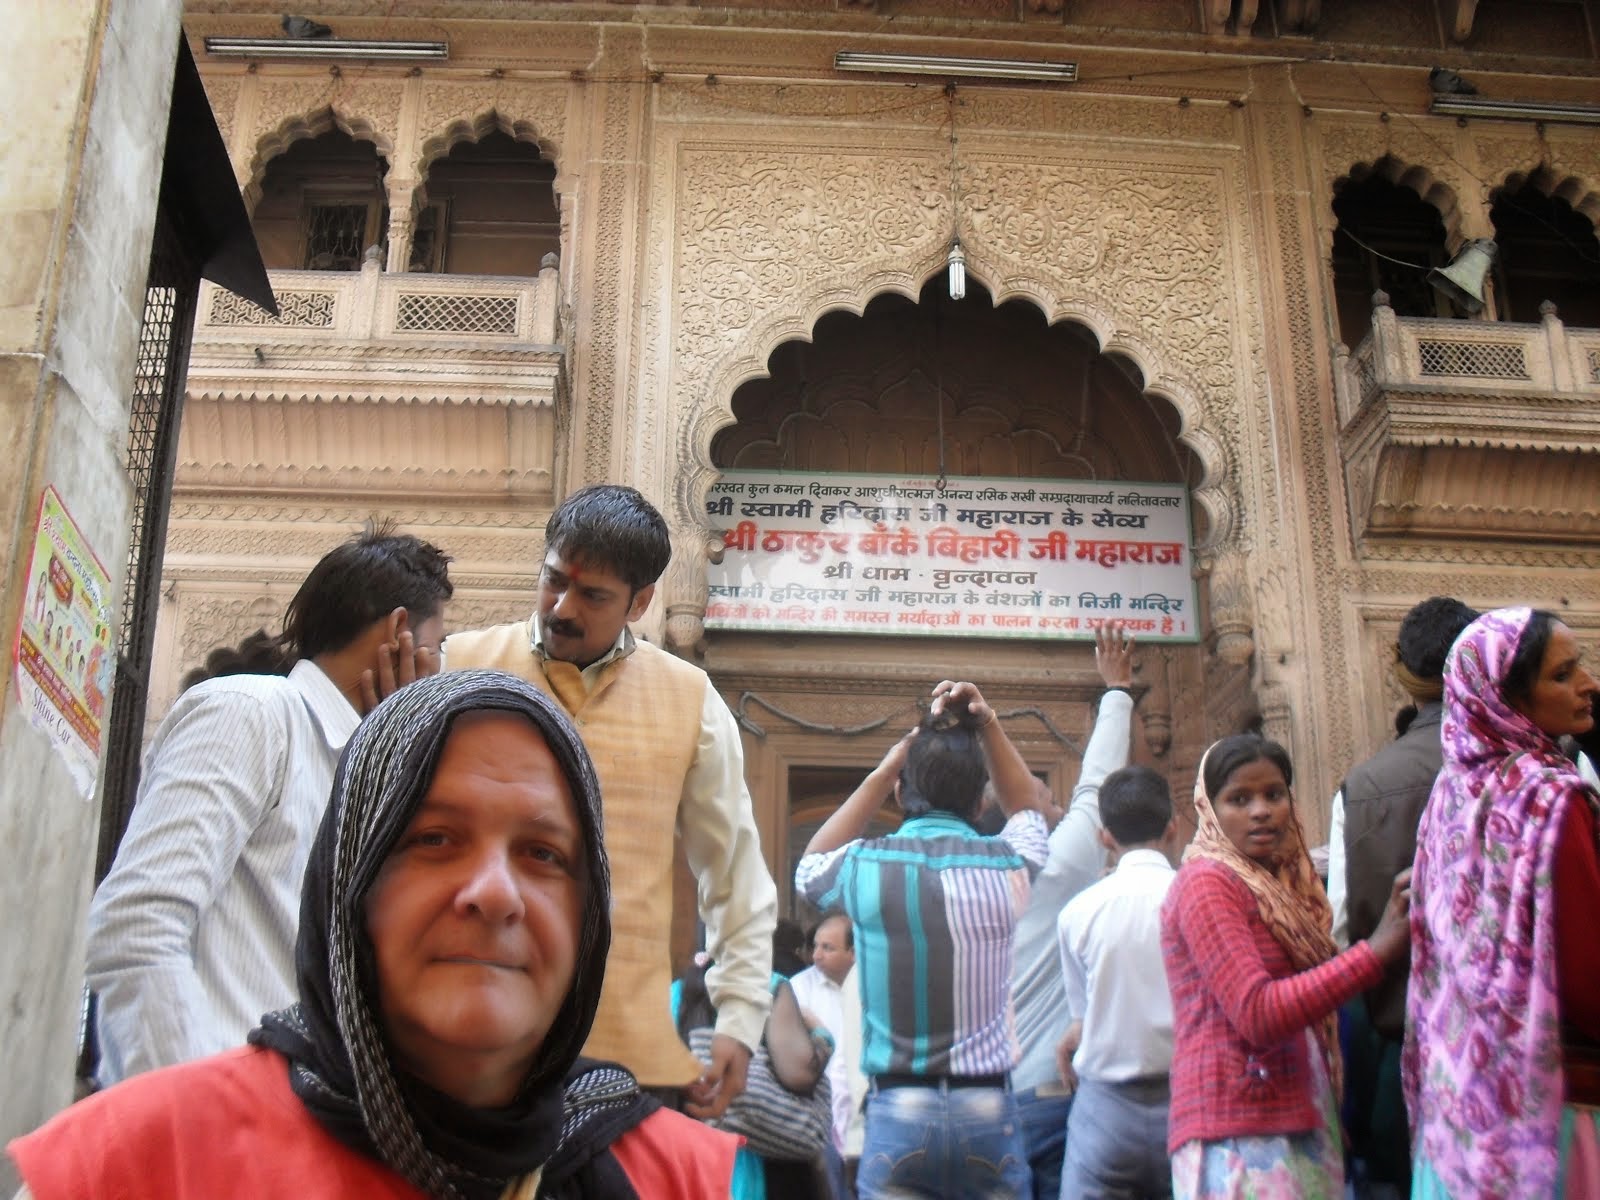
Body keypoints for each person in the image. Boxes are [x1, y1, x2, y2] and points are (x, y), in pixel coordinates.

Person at [9, 671, 738, 1199]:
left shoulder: (680, 1176)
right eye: (434, 839)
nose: (493, 893)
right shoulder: (139, 1163)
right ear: (347, 887)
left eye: (543, 855)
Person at [444, 483, 778, 1116]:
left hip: (619, 1061)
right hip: (470, 1043)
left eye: (592, 595)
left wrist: (740, 1015)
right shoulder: (457, 668)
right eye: (553, 581)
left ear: (641, 601)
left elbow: (733, 870)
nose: (562, 608)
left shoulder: (689, 698)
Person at [84, 524, 453, 1085]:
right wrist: (195, 1113)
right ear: (400, 633)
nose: (438, 666)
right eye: (439, 644)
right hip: (213, 1124)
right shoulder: (253, 713)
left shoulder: (366, 775)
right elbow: (138, 924)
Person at [796, 680, 1051, 1199]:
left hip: (898, 1110)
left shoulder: (864, 864)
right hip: (988, 1109)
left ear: (899, 791)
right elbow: (1029, 809)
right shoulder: (1009, 866)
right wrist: (988, 724)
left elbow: (809, 869)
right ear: (981, 801)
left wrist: (887, 768)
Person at [1161, 734, 1411, 1200]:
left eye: (1274, 795)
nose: (1262, 811)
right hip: (1240, 1131)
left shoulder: (1279, 886)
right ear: (1209, 808)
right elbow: (1257, 1011)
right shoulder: (1208, 883)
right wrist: (1375, 952)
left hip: (1291, 1116)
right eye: (1240, 799)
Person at [1405, 607, 1600, 1199]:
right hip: (1554, 1106)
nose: (1589, 683)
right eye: (1563, 675)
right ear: (1507, 700)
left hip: (1465, 1100)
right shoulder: (1552, 800)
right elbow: (1589, 976)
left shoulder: (1452, 792)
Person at [1323, 596, 1475, 1198]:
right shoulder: (1548, 768)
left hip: (1404, 1057)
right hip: (1530, 1059)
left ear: (1402, 674)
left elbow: (1340, 935)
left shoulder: (1362, 789)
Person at [1012, 622, 1137, 1198]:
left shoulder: (947, 878)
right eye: (1043, 796)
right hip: (1044, 1097)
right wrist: (1117, 690)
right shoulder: (1052, 874)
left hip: (969, 1106)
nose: (1058, 804)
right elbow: (1094, 789)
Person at [1055, 765, 1179, 1200]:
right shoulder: (1201, 899)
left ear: (1104, 836)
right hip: (1189, 1102)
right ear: (1173, 828)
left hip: (1105, 1111)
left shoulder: (1076, 913)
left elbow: (1081, 1018)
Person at [790, 909, 860, 1197]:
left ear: (853, 952)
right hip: (818, 1113)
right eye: (815, 946)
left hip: (861, 1111)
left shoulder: (871, 988)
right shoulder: (799, 988)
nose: (816, 955)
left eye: (828, 948)